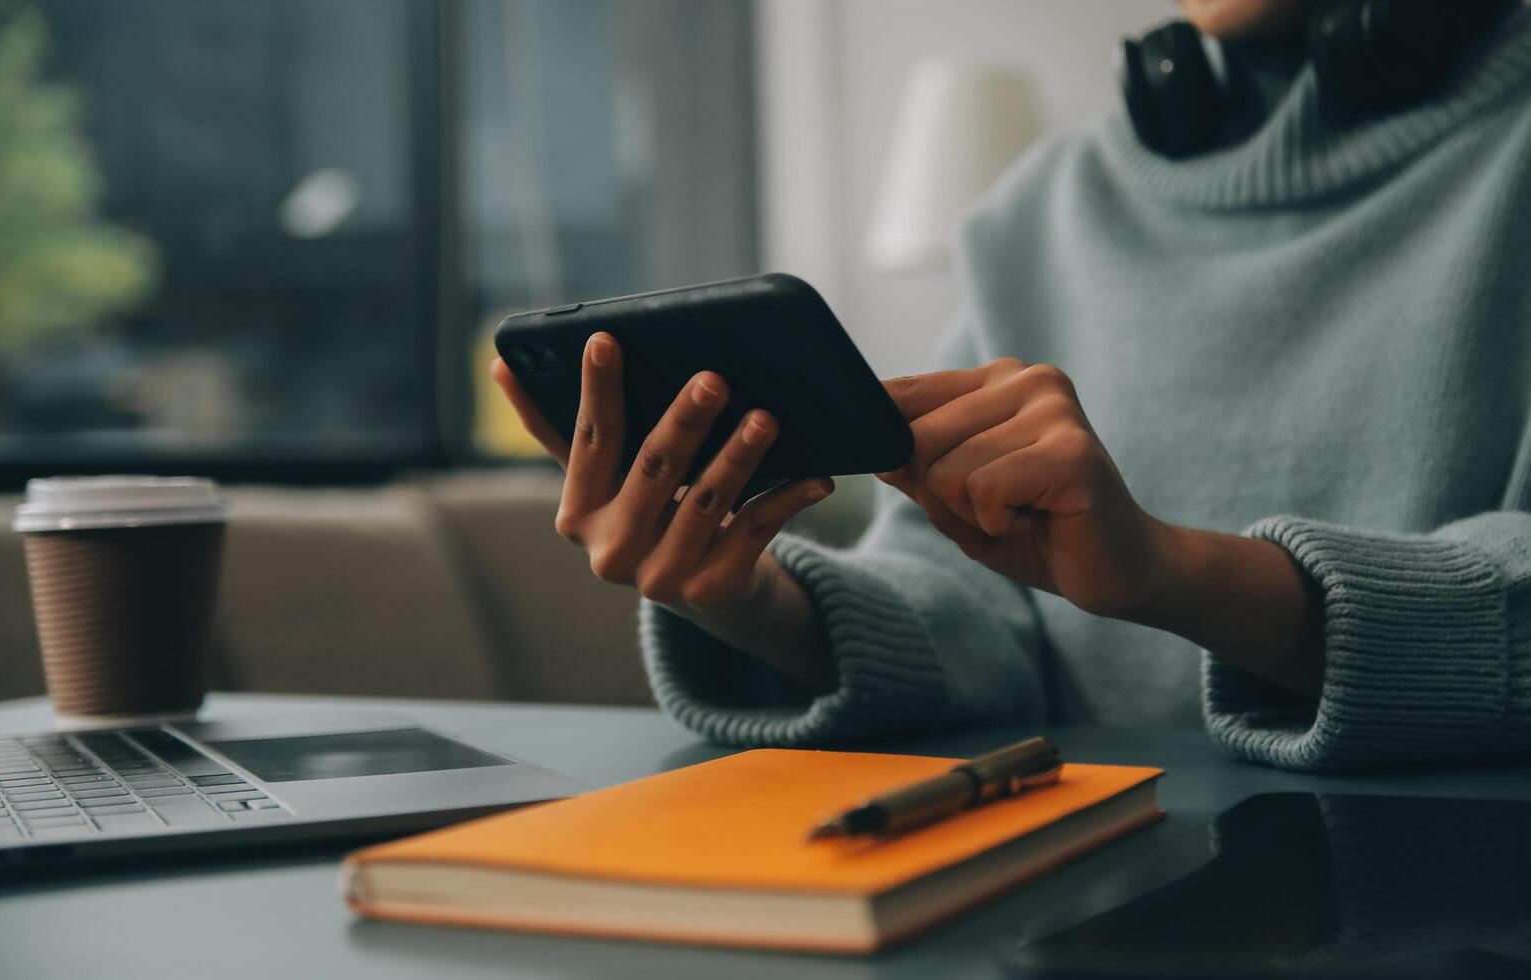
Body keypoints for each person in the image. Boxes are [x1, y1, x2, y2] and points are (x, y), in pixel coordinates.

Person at [493, 0, 1531, 771]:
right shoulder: (1043, 207)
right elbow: (974, 618)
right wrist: (752, 600)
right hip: (1081, 907)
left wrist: (1169, 571)